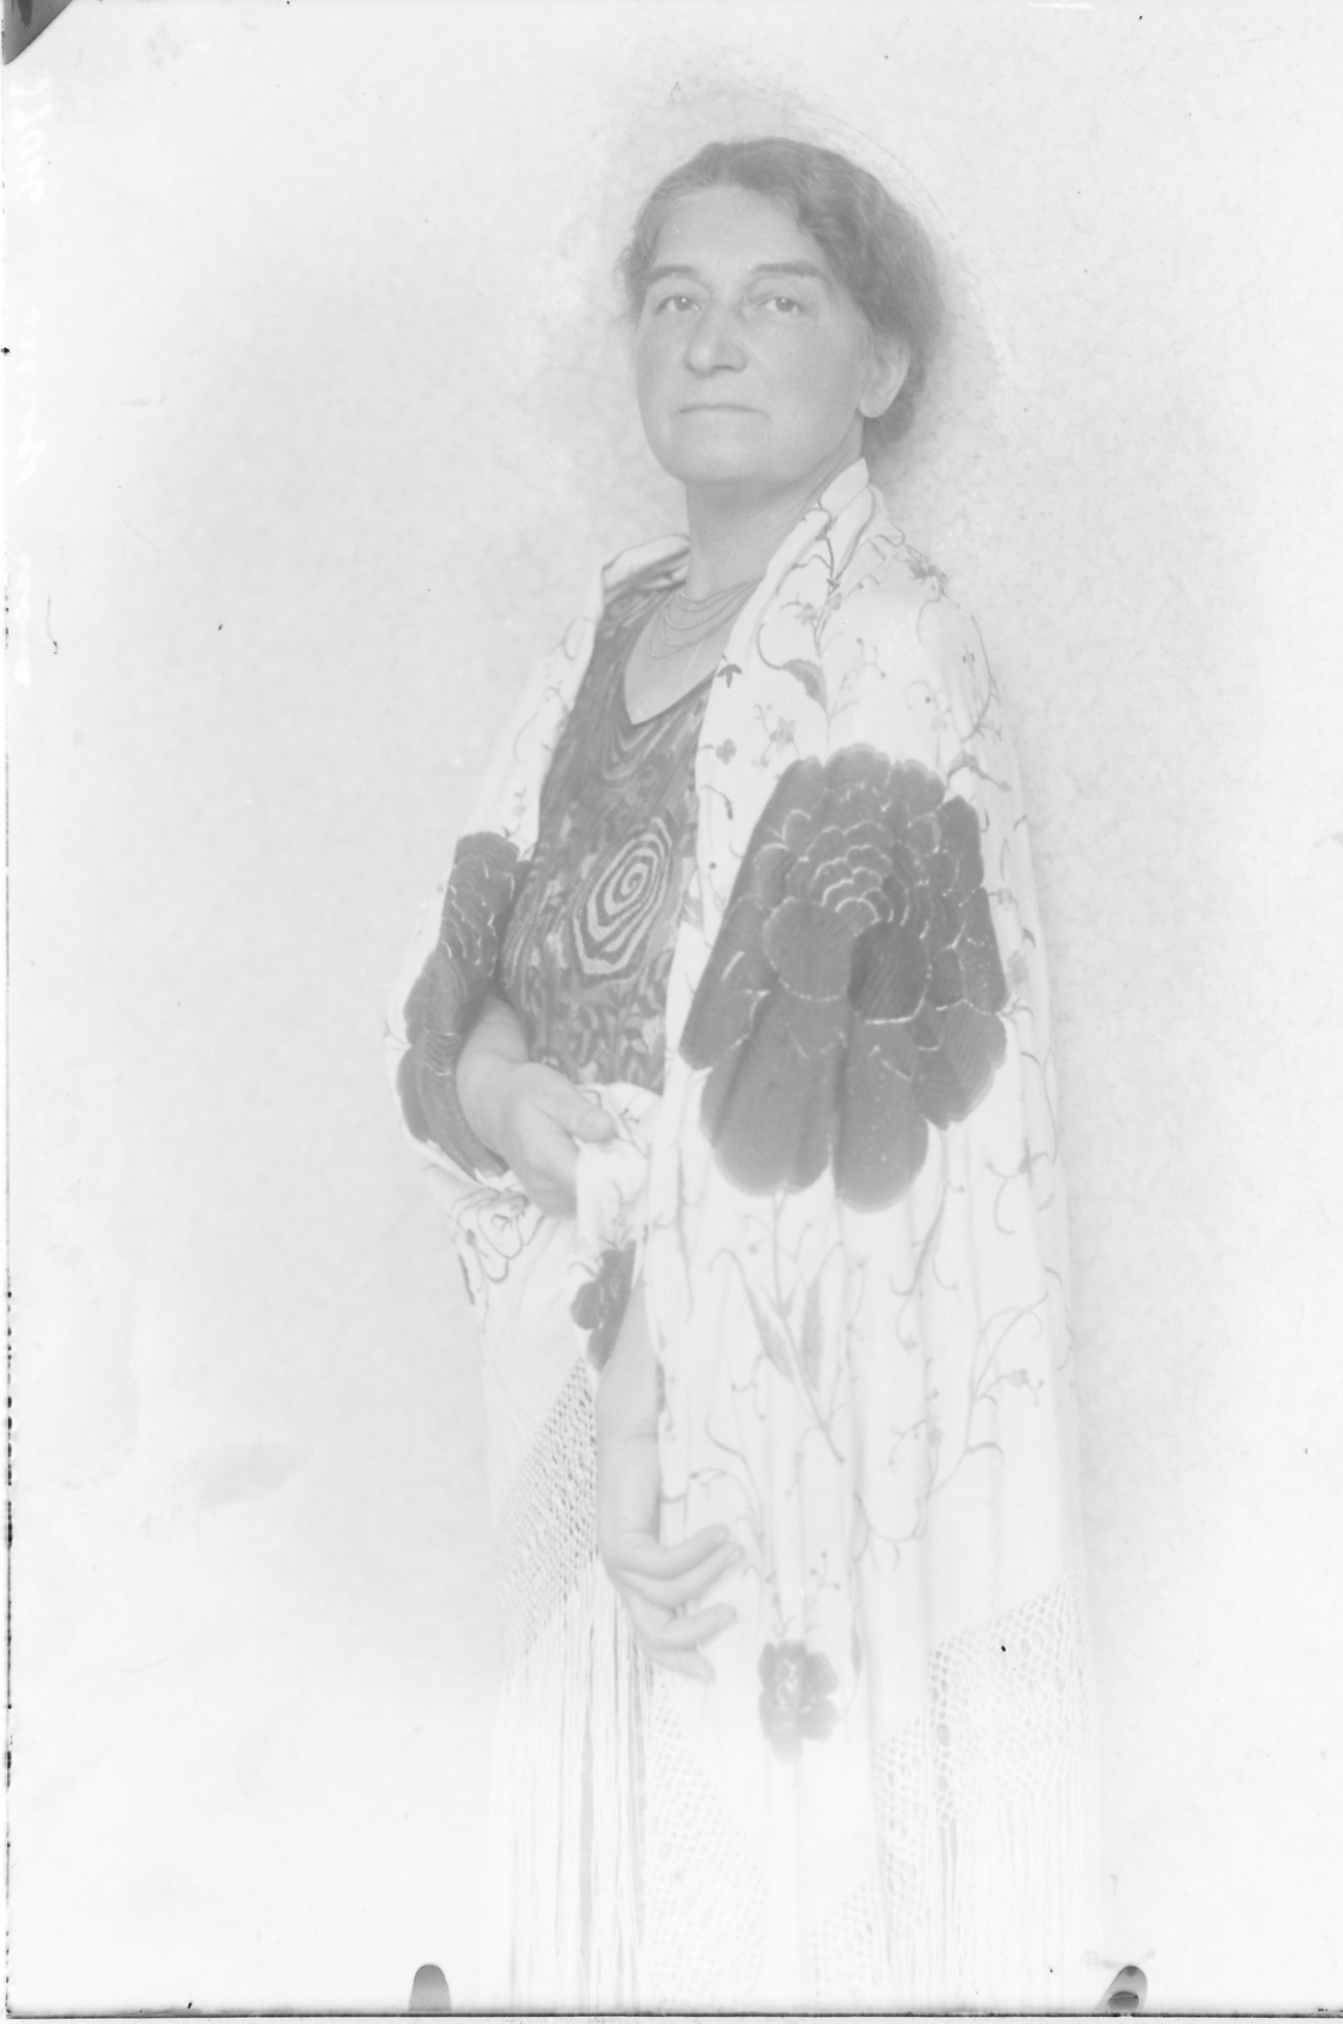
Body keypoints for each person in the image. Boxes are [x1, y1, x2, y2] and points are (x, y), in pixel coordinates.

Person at [389, 135, 1095, 2010]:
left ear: (880, 364)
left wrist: (637, 1428)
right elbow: (460, 973)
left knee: (747, 1895)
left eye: (777, 298)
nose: (712, 339)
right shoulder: (601, 631)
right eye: (674, 300)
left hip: (754, 1413)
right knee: (587, 1901)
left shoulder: (890, 648)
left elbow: (786, 1105)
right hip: (557, 1348)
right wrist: (499, 1097)